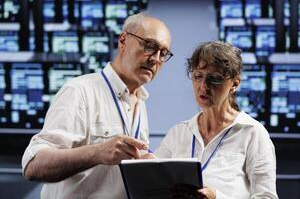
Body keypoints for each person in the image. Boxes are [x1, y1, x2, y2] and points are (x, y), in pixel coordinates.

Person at [22, 13, 173, 199]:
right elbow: (33, 166)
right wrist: (97, 152)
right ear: (123, 41)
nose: (156, 59)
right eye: (150, 46)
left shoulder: (140, 101)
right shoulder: (79, 91)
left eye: (163, 53)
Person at [154, 41, 278, 199]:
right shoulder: (179, 133)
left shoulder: (252, 133)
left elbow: (267, 197)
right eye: (198, 76)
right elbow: (155, 182)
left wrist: (217, 197)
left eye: (214, 79)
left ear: (234, 84)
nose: (203, 86)